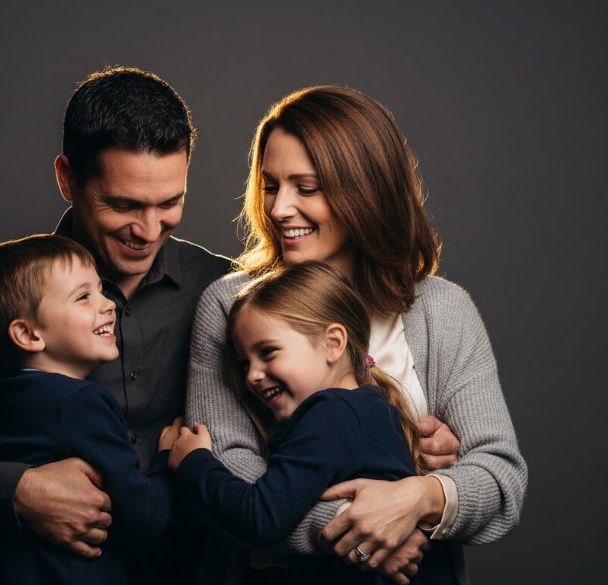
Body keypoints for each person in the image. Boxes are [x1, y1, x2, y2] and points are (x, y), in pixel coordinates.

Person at [0, 67, 231, 584]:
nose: (149, 230)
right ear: (67, 178)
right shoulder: (3, 297)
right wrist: (20, 491)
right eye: (123, 204)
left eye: (170, 203)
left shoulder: (223, 289)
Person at [185, 85, 527, 584]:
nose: (279, 209)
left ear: (364, 191)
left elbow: (500, 479)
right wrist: (370, 533)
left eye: (306, 188)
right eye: (270, 185)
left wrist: (420, 498)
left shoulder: (443, 311)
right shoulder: (231, 306)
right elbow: (226, 468)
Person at [170, 261, 454, 585]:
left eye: (268, 352)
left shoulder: (330, 415)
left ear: (334, 343)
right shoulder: (370, 408)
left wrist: (195, 462)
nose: (251, 376)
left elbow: (261, 518)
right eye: (244, 362)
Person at [0, 233, 184, 584]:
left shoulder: (5, 398)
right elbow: (144, 518)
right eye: (83, 297)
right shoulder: (81, 402)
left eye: (101, 290)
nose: (108, 304)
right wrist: (167, 461)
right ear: (29, 335)